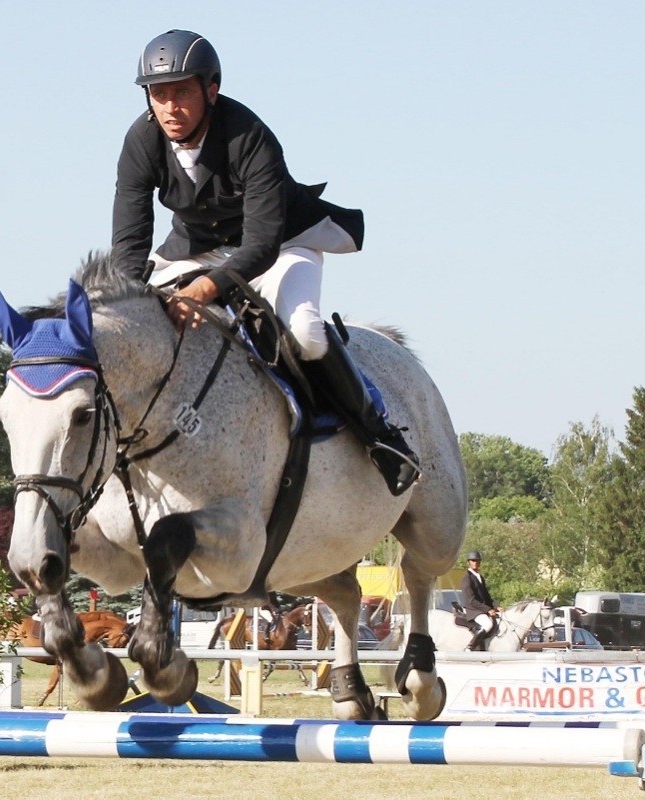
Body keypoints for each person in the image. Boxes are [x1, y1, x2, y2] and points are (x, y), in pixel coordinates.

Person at [110, 29, 419, 496]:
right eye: (159, 94)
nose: (170, 107)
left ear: (210, 89)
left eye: (182, 93)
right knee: (134, 323)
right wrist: (124, 305)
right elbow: (131, 241)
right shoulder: (141, 140)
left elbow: (260, 245)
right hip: (194, 247)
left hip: (281, 241)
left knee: (304, 334)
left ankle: (379, 436)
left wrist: (203, 290)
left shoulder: (249, 136)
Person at [460, 550, 501, 651]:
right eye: (473, 560)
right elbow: (471, 600)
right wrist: (488, 610)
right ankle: (470, 647)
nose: (475, 563)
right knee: (488, 624)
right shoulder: (467, 578)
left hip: (480, 609)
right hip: (473, 610)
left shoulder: (479, 577)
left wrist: (496, 607)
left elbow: (486, 596)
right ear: (468, 562)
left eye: (477, 561)